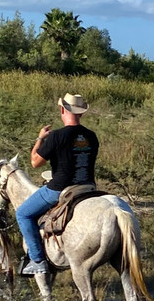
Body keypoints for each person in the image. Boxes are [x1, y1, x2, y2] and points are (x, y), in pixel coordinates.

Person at [16, 93, 99, 276]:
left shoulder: (56, 136)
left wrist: (40, 139)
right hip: (88, 187)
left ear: (63, 110)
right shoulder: (91, 136)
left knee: (22, 213)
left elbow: (35, 163)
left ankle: (37, 260)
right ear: (81, 114)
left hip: (61, 188)